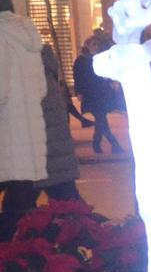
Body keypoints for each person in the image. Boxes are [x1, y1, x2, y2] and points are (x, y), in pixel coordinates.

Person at [0, 0, 49, 238]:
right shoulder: (27, 35)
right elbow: (41, 89)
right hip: (28, 138)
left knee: (13, 217)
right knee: (19, 208)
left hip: (7, 136)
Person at [34, 41, 81, 205]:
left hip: (43, 153)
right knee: (70, 205)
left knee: (70, 207)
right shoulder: (44, 73)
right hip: (53, 152)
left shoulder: (31, 78)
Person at [75, 25, 123, 155]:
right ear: (88, 45)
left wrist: (111, 82)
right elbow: (78, 77)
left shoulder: (100, 58)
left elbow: (106, 72)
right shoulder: (82, 60)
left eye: (97, 44)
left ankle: (99, 144)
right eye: (93, 44)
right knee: (101, 119)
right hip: (91, 94)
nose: (95, 47)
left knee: (101, 119)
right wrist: (79, 92)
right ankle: (112, 144)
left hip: (102, 93)